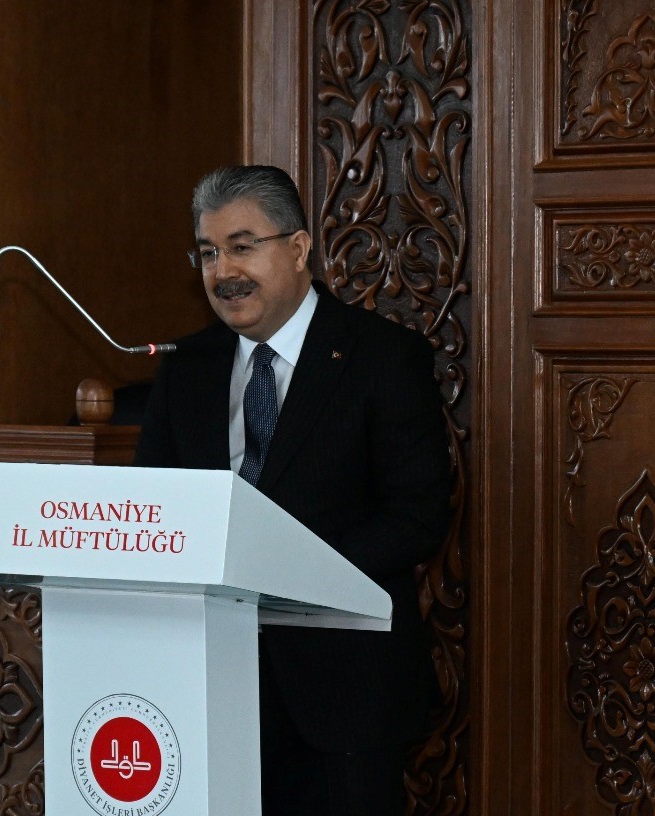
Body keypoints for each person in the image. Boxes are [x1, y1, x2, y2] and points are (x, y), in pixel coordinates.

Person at [134, 165, 451, 815]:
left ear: (299, 248)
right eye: (207, 253)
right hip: (207, 684)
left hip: (342, 695)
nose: (223, 271)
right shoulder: (187, 367)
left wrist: (292, 571)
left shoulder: (382, 357)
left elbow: (418, 516)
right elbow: (154, 508)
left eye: (242, 246)